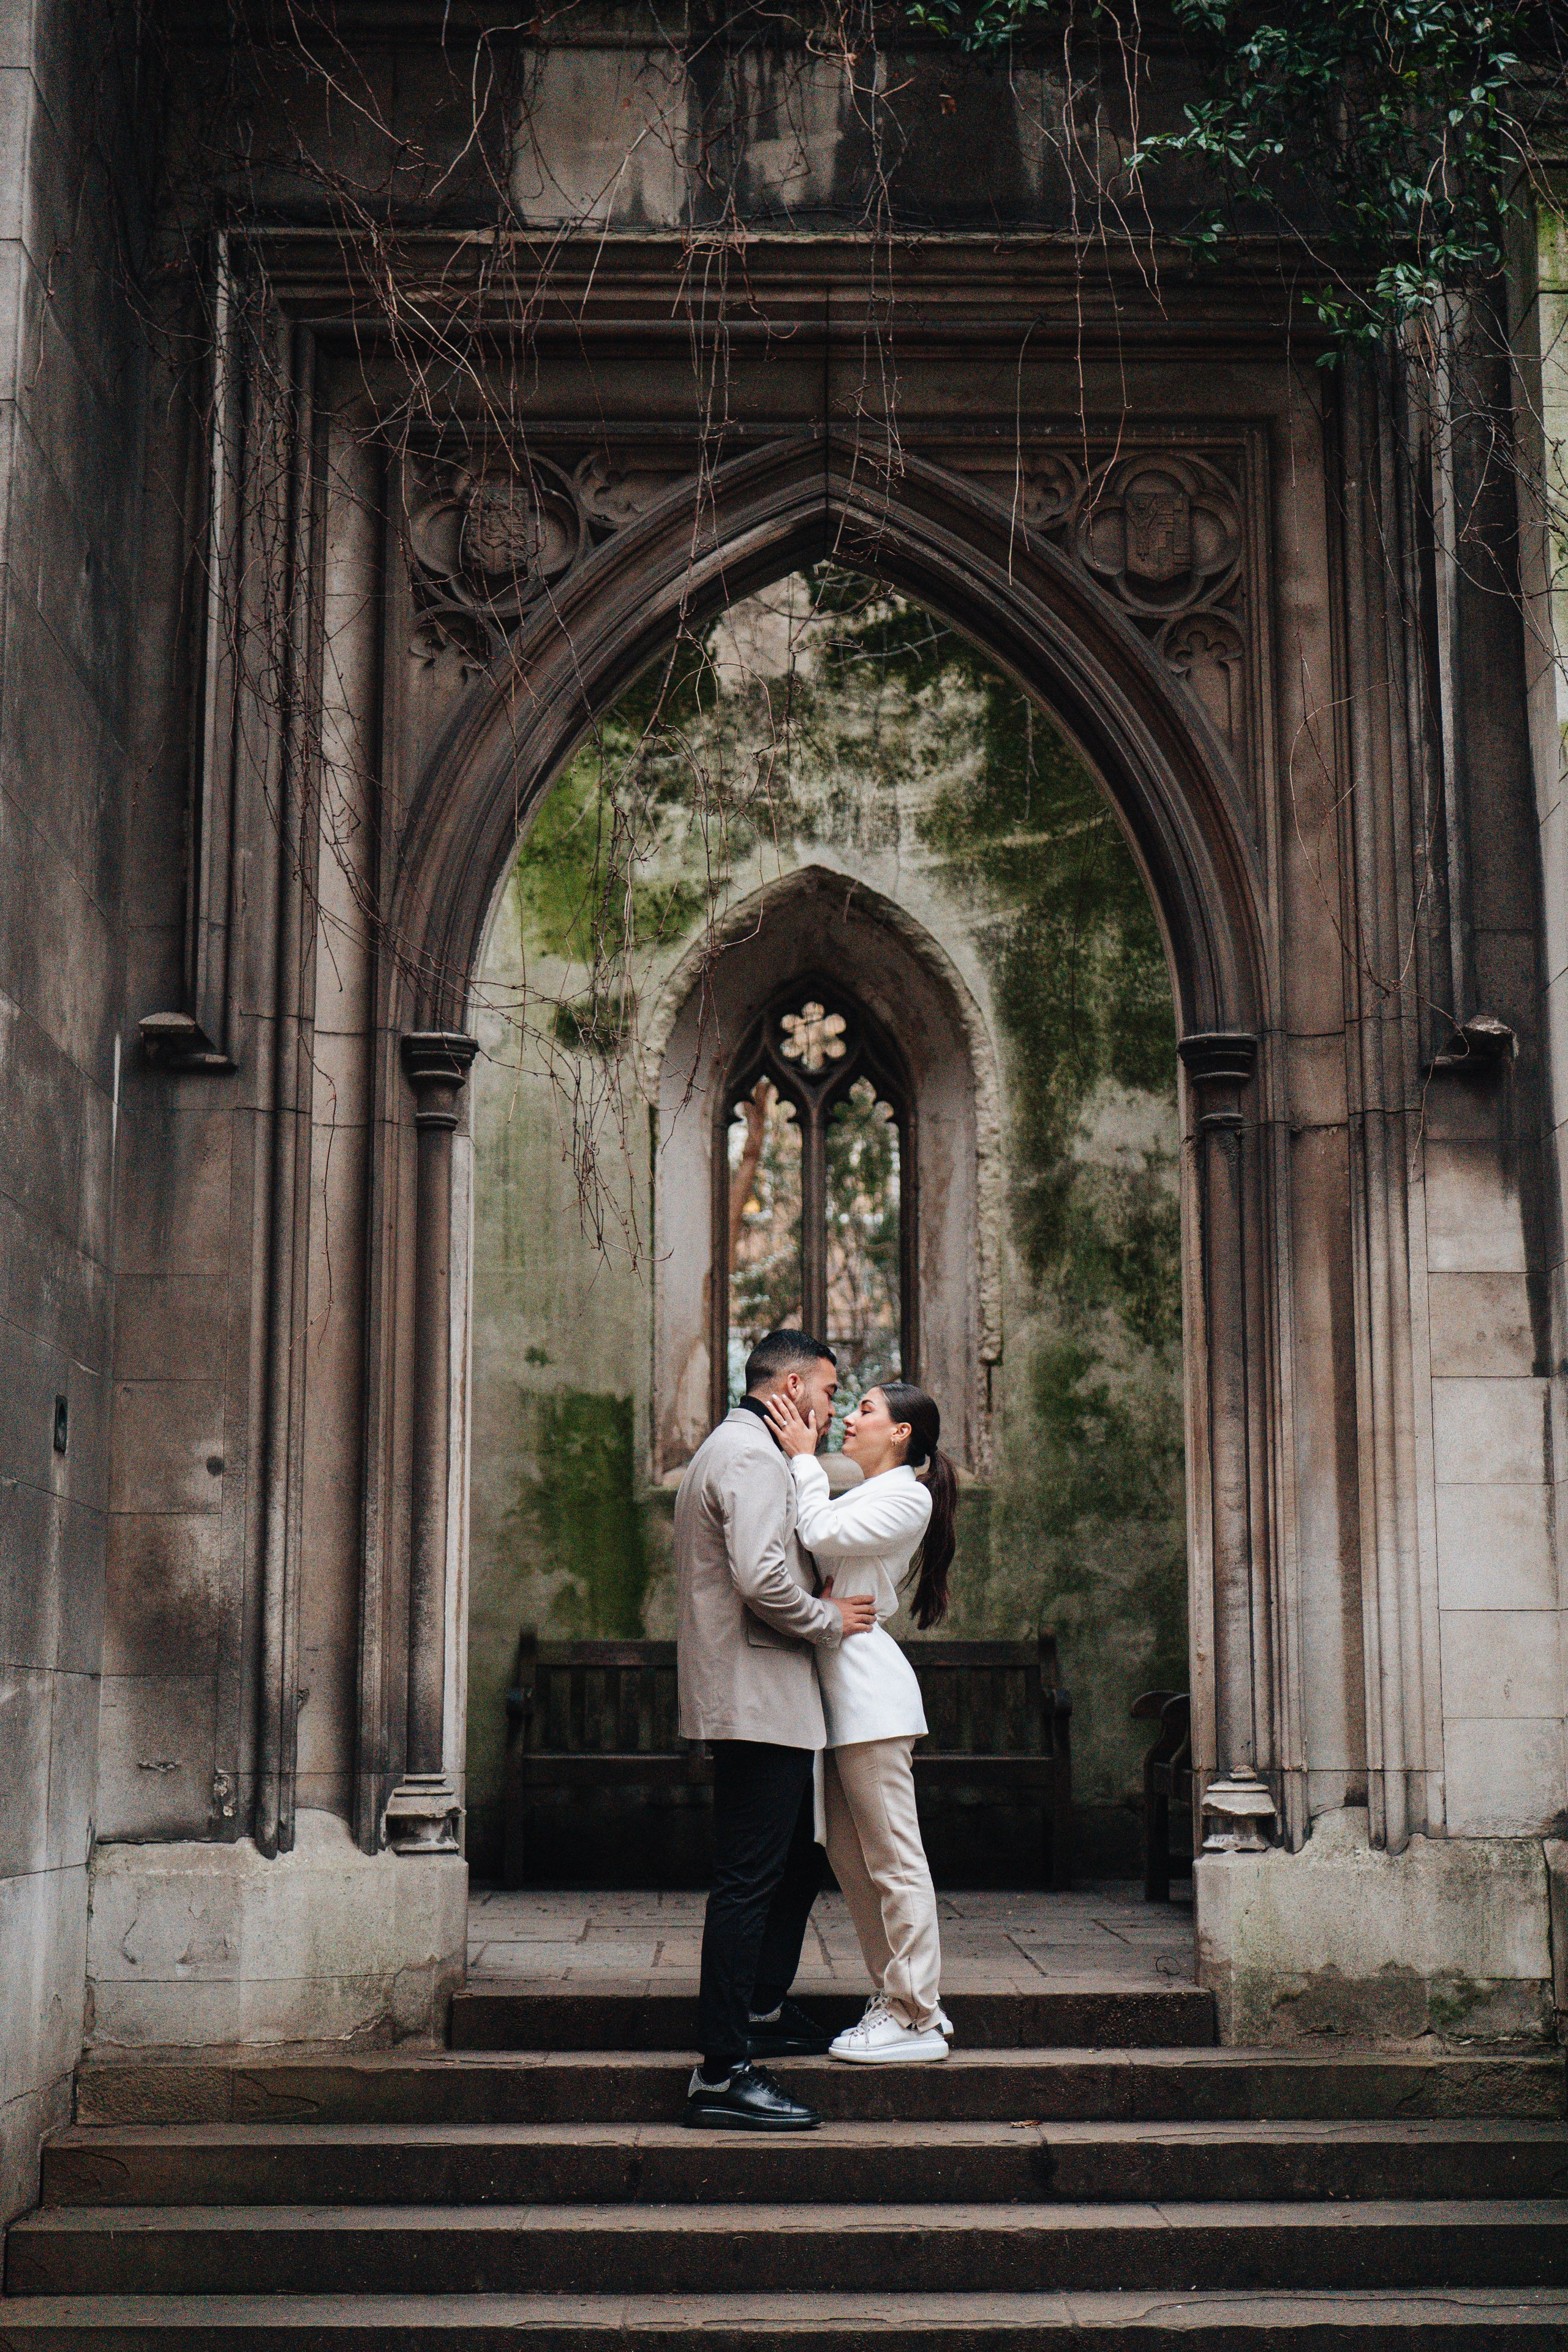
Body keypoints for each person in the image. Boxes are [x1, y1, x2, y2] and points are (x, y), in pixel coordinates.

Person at [675, 1329, 878, 2130]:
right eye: (829, 1393)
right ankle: (722, 2072)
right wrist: (828, 1618)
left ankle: (759, 2009)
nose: (830, 1411)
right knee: (750, 1882)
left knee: (796, 1862)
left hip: (766, 1696)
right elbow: (762, 1578)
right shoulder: (752, 1456)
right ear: (791, 1387)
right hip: (757, 1698)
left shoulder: (740, 1447)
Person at [764, 1378, 959, 2064]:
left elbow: (815, 1530)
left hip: (871, 1699)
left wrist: (801, 1455)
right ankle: (894, 1998)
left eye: (866, 1409)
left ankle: (916, 2014)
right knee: (853, 1865)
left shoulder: (908, 1494)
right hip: (838, 1698)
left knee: (895, 1863)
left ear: (901, 1432)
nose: (850, 1417)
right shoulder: (869, 1493)